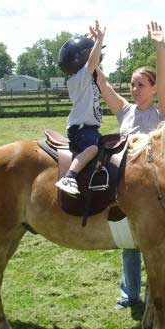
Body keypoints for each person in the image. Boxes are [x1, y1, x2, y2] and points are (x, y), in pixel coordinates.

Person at [96, 21, 165, 310]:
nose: (134, 88)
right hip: (126, 188)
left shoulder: (162, 112)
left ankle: (156, 296)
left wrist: (159, 47)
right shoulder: (125, 112)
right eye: (131, 84)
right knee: (129, 245)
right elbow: (102, 85)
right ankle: (129, 295)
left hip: (155, 192)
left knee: (153, 247)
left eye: (140, 84)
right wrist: (94, 50)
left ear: (153, 88)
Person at [55, 20, 106, 197]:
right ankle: (70, 177)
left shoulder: (84, 78)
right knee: (92, 150)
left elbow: (92, 64)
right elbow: (92, 62)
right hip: (82, 130)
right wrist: (99, 40)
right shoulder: (80, 79)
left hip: (89, 128)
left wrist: (88, 41)